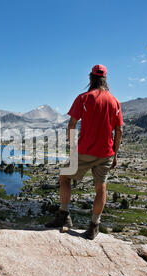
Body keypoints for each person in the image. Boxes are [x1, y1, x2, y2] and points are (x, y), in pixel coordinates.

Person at [45, 65, 124, 240]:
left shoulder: (83, 98)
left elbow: (72, 124)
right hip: (106, 153)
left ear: (91, 78)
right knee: (100, 188)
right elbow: (119, 130)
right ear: (105, 79)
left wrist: (72, 147)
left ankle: (64, 216)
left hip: (84, 151)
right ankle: (94, 226)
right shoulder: (114, 102)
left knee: (65, 177)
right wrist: (115, 153)